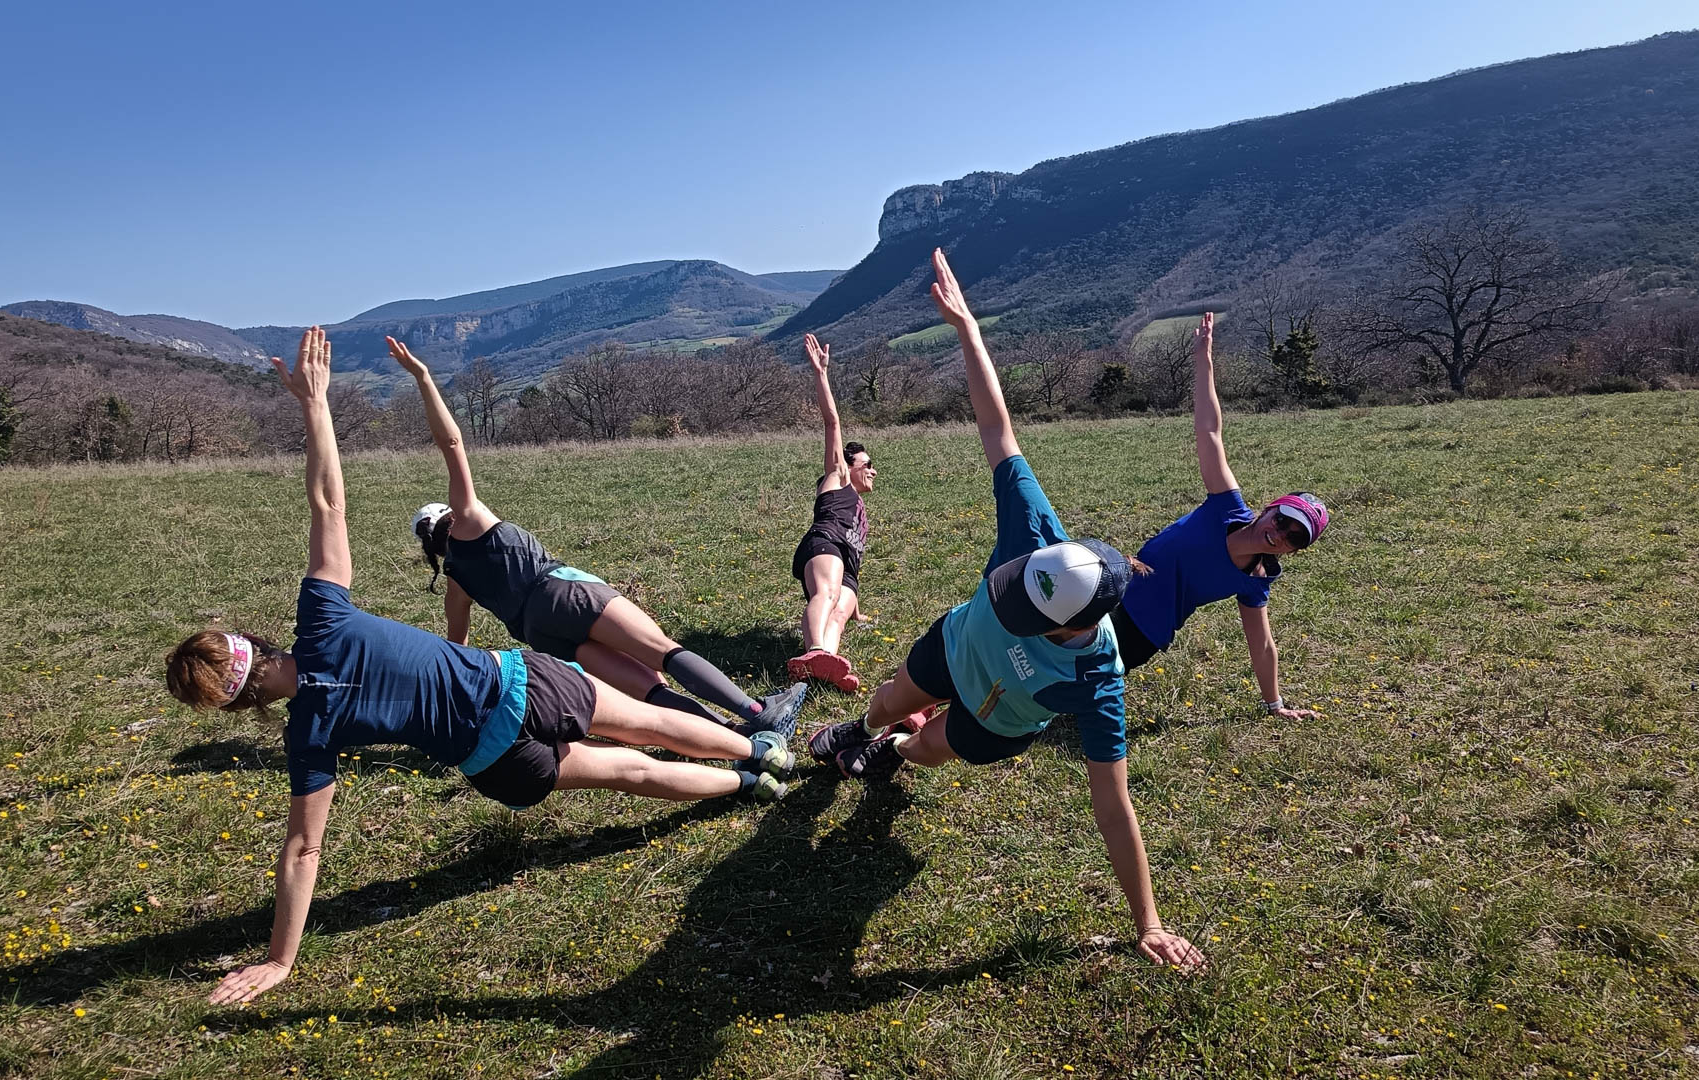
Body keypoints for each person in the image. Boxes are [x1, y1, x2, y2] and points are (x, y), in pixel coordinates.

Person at [166, 328, 795, 1007]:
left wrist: (279, 961)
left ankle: (743, 786)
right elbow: (328, 502)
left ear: (239, 706)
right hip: (523, 685)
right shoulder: (323, 617)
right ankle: (762, 750)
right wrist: (314, 405)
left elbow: (302, 853)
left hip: (497, 765)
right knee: (648, 722)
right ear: (255, 642)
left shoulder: (307, 735)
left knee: (633, 772)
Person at [806, 250, 1208, 971]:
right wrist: (967, 331)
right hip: (954, 647)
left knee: (920, 751)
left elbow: (1114, 807)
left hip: (995, 721)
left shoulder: (1099, 680)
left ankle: (890, 748)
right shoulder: (1035, 534)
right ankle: (860, 729)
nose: (1014, 590)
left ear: (1078, 627)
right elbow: (999, 430)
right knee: (892, 698)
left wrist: (1147, 922)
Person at [387, 335, 805, 737]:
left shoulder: (455, 578)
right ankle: (757, 712)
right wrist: (424, 379)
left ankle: (734, 737)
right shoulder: (471, 519)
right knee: (665, 652)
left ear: (429, 545)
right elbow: (453, 444)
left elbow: (457, 648)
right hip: (565, 595)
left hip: (540, 634)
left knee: (651, 690)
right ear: (447, 517)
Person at [1111, 311, 1329, 720]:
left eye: (1296, 537)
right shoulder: (1225, 505)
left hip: (1139, 632)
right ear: (1269, 509)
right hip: (1113, 586)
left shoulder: (1253, 581)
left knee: (1054, 683)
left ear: (1296, 551)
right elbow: (1210, 431)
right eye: (1283, 519)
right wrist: (1203, 360)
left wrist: (1274, 705)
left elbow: (1261, 643)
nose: (1281, 534)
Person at [786, 332, 876, 693]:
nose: (873, 470)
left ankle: (827, 667)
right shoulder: (837, 480)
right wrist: (821, 374)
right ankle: (815, 653)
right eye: (867, 464)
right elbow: (832, 422)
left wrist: (858, 611)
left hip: (848, 566)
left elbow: (856, 555)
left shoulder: (860, 507)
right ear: (848, 465)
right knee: (827, 593)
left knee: (839, 611)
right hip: (826, 545)